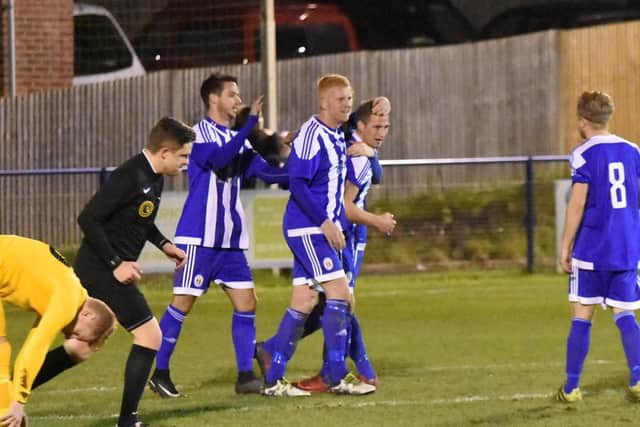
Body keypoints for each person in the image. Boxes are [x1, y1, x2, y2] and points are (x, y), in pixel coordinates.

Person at [149, 73, 288, 398]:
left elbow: (266, 172)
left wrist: (304, 167)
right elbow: (220, 158)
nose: (238, 101)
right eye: (232, 95)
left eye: (239, 96)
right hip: (199, 237)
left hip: (230, 241)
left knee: (246, 302)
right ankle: (160, 372)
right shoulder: (198, 135)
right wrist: (248, 124)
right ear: (214, 99)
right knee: (182, 304)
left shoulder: (239, 138)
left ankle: (245, 377)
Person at [256, 73, 376, 397]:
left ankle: (272, 366)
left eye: (350, 98)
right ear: (324, 102)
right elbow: (297, 183)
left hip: (317, 227)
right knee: (340, 294)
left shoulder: (337, 135)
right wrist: (325, 222)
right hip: (308, 228)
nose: (348, 104)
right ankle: (337, 376)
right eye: (341, 99)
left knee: (306, 300)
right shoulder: (313, 133)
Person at [69, 117, 193, 427]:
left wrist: (164, 244)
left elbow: (141, 217)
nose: (186, 163)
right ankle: (128, 421)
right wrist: (116, 263)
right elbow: (88, 218)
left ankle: (15, 393)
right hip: (100, 269)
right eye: (183, 156)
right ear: (165, 152)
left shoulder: (154, 175)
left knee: (79, 345)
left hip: (107, 269)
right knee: (150, 335)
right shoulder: (131, 174)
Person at [294, 99, 396, 393]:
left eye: (386, 126)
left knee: (334, 303)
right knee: (335, 302)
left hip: (345, 235)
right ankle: (353, 370)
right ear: (360, 125)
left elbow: (374, 176)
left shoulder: (353, 147)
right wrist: (377, 220)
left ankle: (343, 370)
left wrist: (373, 155)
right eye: (376, 125)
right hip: (340, 234)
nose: (382, 131)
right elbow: (346, 204)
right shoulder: (346, 146)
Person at [556, 91, 640, 402]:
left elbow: (577, 204)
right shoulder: (633, 151)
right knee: (625, 314)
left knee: (582, 314)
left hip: (592, 249)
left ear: (582, 121)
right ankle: (638, 379)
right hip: (626, 248)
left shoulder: (583, 154)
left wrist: (565, 246)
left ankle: (571, 388)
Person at [0, 234, 116, 427]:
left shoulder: (70, 288)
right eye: (77, 334)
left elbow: (32, 346)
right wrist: (19, 401)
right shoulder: (67, 303)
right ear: (89, 315)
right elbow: (34, 349)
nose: (68, 335)